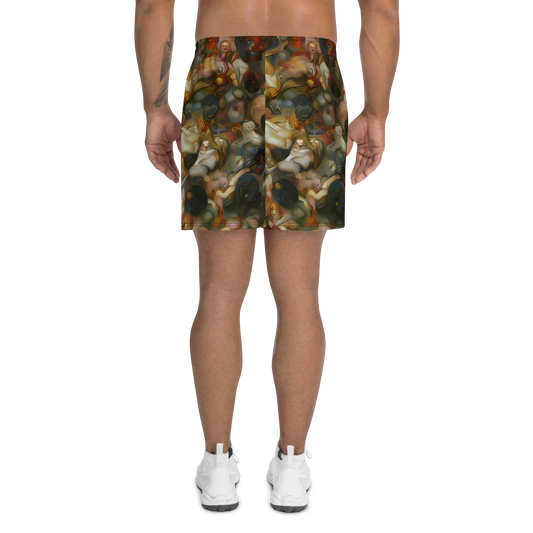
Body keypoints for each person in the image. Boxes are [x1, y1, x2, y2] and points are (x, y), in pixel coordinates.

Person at [132, 0, 402, 512]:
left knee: (218, 289)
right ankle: (293, 467)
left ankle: (216, 466)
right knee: (300, 292)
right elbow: (383, 11)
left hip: (219, 72)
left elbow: (152, 7)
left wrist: (154, 108)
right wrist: (377, 113)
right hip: (309, 72)